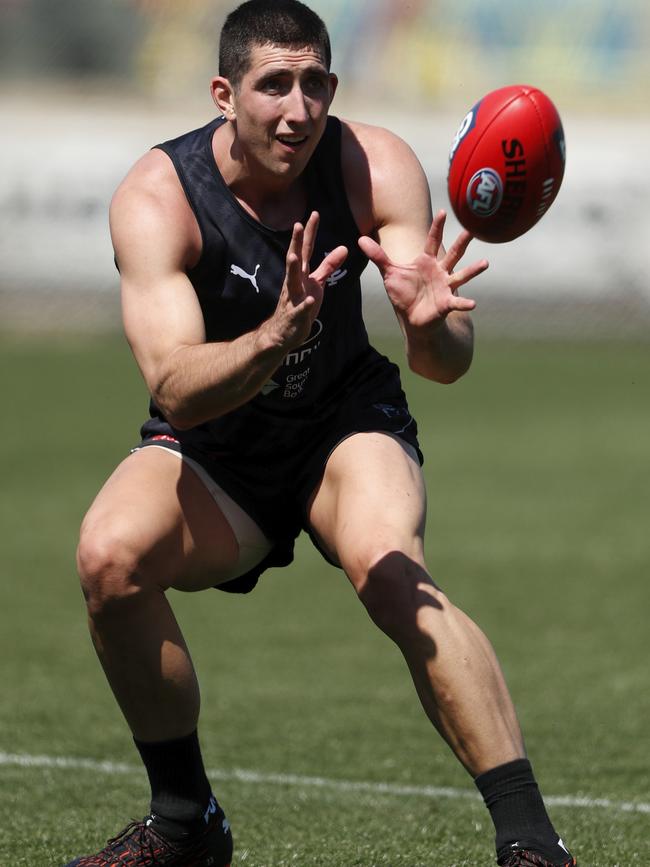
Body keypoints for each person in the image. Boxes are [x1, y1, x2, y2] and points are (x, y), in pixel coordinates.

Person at [63, 1, 577, 865]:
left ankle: (532, 842)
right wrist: (269, 338)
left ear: (333, 86)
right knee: (109, 560)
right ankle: (187, 822)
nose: (297, 110)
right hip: (219, 445)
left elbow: (445, 364)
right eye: (273, 86)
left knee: (389, 570)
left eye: (314, 84)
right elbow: (175, 389)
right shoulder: (158, 197)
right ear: (225, 93)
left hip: (343, 421)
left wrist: (426, 321)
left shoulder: (374, 163)